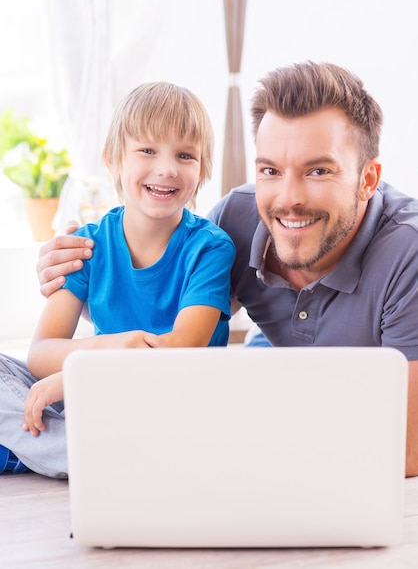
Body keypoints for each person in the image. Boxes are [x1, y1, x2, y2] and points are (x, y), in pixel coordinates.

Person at [35, 61, 418, 478]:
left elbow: (407, 452)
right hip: (270, 374)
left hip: (344, 419)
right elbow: (168, 307)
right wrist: (76, 277)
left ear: (368, 179)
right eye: (270, 170)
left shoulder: (406, 254)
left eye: (318, 171)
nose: (288, 199)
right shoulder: (236, 218)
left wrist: (94, 375)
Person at [0, 82, 235, 477]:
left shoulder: (210, 248)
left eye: (185, 155)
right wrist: (113, 349)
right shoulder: (87, 245)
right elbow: (41, 354)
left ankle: (51, 452)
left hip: (176, 402)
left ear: (203, 170)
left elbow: (180, 350)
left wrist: (80, 371)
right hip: (102, 397)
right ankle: (89, 454)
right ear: (113, 160)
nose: (166, 168)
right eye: (147, 150)